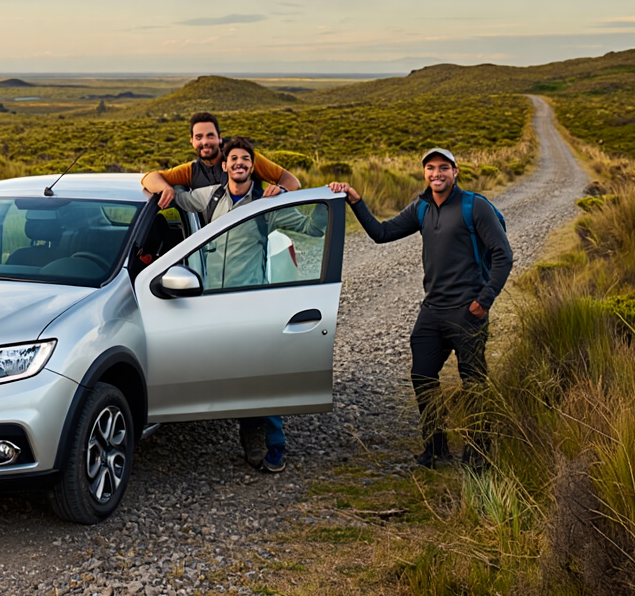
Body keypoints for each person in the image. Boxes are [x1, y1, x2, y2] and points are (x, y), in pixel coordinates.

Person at [329, 148, 513, 471]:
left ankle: (478, 452)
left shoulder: (475, 207)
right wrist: (355, 201)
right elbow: (381, 233)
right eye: (430, 168)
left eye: (444, 168)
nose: (436, 174)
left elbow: (503, 255)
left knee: (474, 382)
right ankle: (436, 447)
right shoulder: (422, 207)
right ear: (424, 172)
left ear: (455, 172)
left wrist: (483, 302)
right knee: (422, 376)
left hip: (467, 311)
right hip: (432, 310)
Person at [176, 137, 325, 474]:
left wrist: (308, 196)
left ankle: (275, 442)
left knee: (259, 374)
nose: (239, 164)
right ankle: (228, 427)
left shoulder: (264, 203)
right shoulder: (209, 196)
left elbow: (313, 227)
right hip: (207, 301)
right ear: (224, 165)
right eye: (234, 159)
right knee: (216, 369)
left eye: (246, 159)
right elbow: (172, 198)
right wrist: (153, 185)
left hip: (249, 303)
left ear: (252, 166)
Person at [141, 111, 300, 209]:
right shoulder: (190, 171)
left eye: (210, 135)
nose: (205, 142)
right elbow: (149, 178)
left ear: (219, 138)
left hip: (252, 237)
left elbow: (292, 181)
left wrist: (281, 190)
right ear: (192, 141)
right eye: (199, 137)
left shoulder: (244, 159)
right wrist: (165, 188)